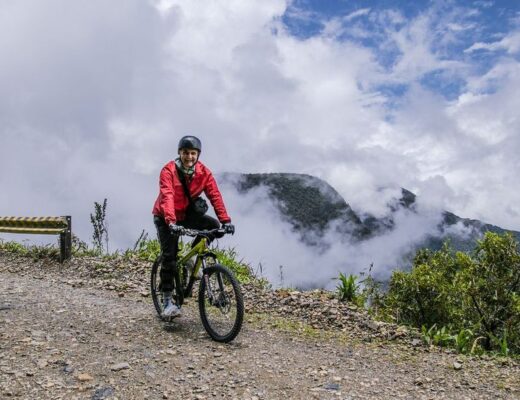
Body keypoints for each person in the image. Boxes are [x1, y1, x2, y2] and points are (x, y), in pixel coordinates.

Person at [152, 135, 235, 318]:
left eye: (193, 153)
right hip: (166, 217)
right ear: (179, 153)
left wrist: (226, 221)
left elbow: (215, 195)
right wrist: (171, 222)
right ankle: (167, 302)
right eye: (185, 153)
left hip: (187, 215)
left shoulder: (204, 173)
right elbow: (167, 196)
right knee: (170, 258)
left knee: (213, 226)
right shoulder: (168, 171)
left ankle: (192, 255)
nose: (189, 157)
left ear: (198, 154)